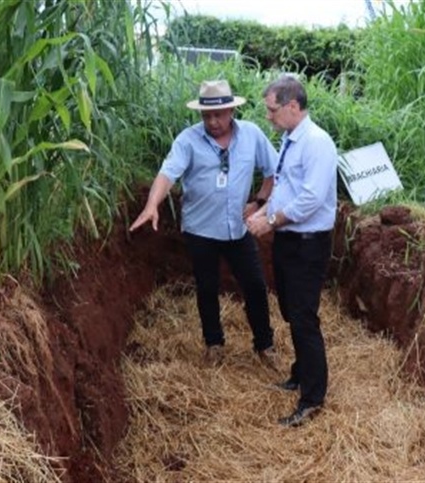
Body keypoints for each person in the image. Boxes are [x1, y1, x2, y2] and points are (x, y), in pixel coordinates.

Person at [130, 79, 280, 369]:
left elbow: (273, 171)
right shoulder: (188, 140)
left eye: (218, 115)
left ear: (231, 111)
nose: (212, 121)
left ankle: (265, 345)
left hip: (238, 229)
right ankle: (214, 344)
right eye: (206, 115)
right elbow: (167, 174)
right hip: (200, 230)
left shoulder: (252, 135)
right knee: (207, 288)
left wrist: (260, 202)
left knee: (255, 286)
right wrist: (152, 205)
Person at [246, 75, 338, 427]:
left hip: (308, 244)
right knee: (290, 309)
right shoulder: (289, 139)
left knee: (303, 317)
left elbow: (312, 199)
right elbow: (286, 187)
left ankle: (312, 397)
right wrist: (263, 211)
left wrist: (271, 221)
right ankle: (301, 373)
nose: (268, 116)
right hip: (289, 239)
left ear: (293, 106)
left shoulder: (317, 143)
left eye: (272, 109)